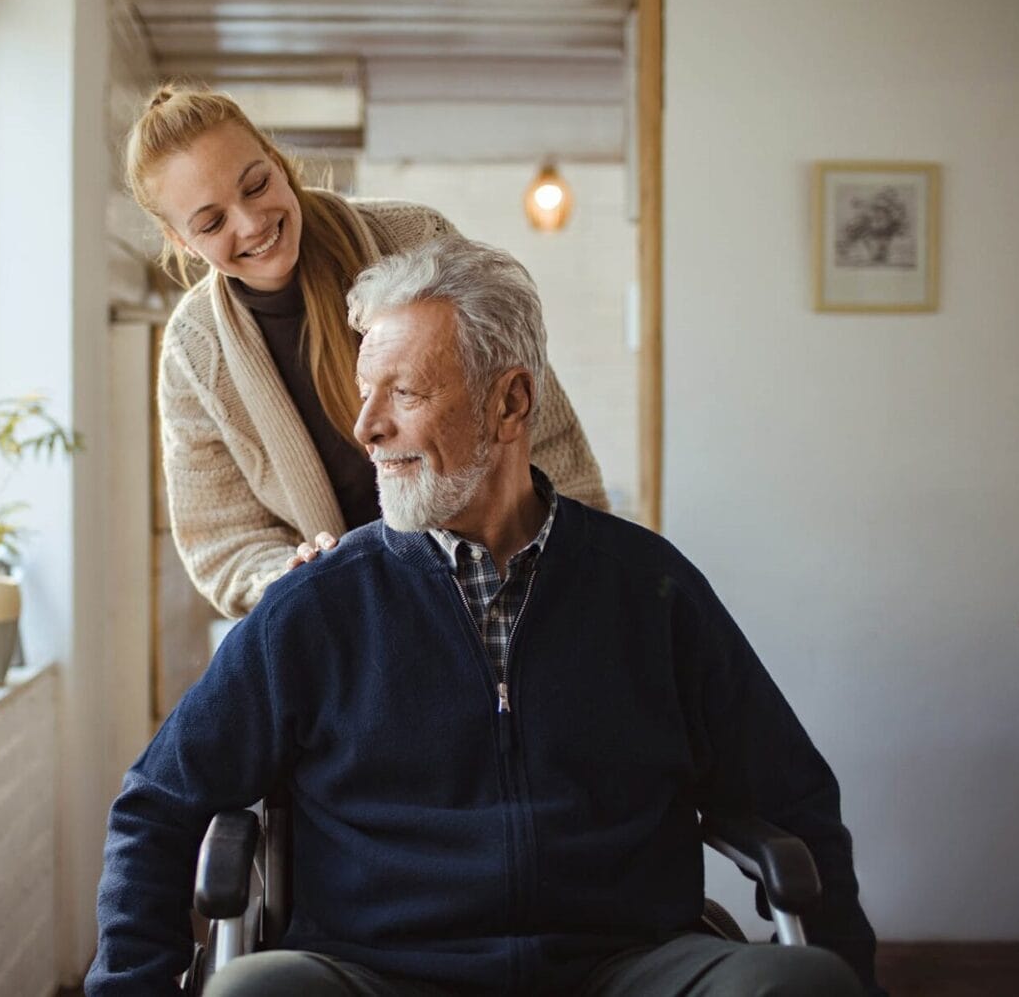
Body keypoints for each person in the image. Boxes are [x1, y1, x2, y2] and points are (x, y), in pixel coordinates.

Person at [86, 236, 884, 997]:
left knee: (804, 985)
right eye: (365, 394)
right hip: (375, 970)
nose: (365, 426)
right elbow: (158, 803)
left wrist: (848, 963)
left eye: (403, 391)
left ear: (510, 402)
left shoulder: (649, 589)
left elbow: (794, 795)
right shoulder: (320, 604)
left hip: (626, 964)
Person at [125, 84, 607, 618]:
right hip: (352, 622)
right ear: (181, 241)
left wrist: (579, 565)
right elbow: (223, 539)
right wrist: (286, 574)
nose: (251, 222)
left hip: (503, 585)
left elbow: (537, 422)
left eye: (256, 185)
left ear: (278, 161)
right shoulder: (193, 352)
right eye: (212, 223)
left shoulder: (416, 237)